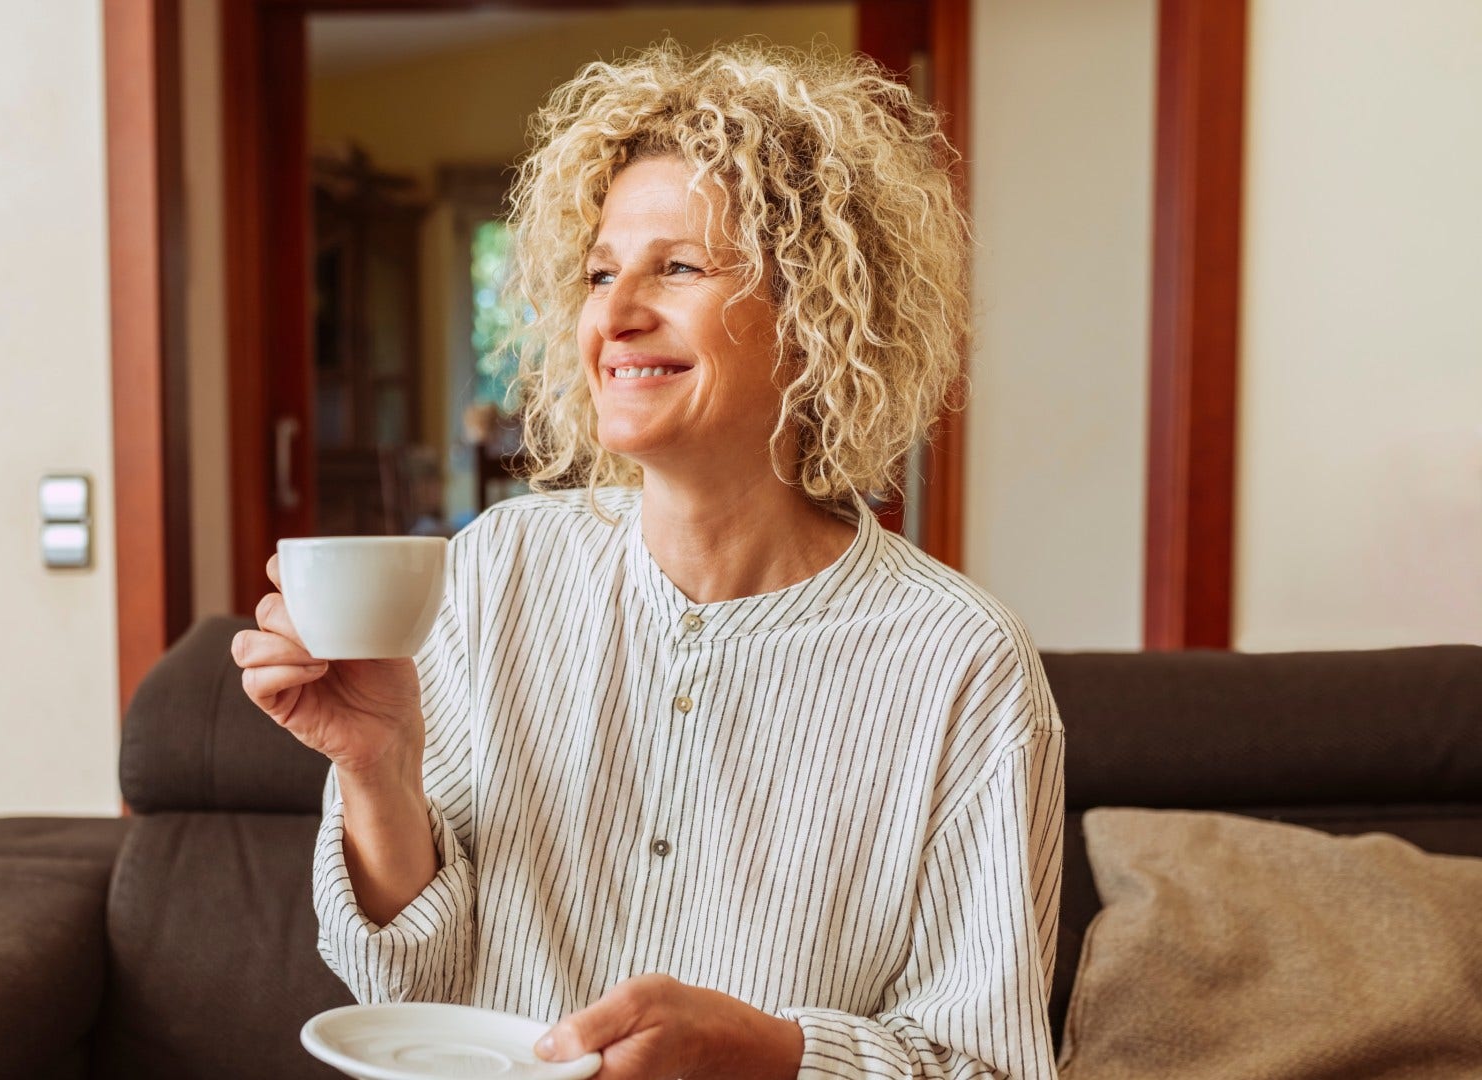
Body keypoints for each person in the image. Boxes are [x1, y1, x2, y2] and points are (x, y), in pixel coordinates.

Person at [233, 40, 1065, 1080]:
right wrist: (378, 769)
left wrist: (772, 1053)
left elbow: (987, 1065)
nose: (616, 315)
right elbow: (404, 990)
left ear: (813, 315)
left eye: (675, 267)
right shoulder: (495, 572)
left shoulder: (963, 664)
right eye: (598, 272)